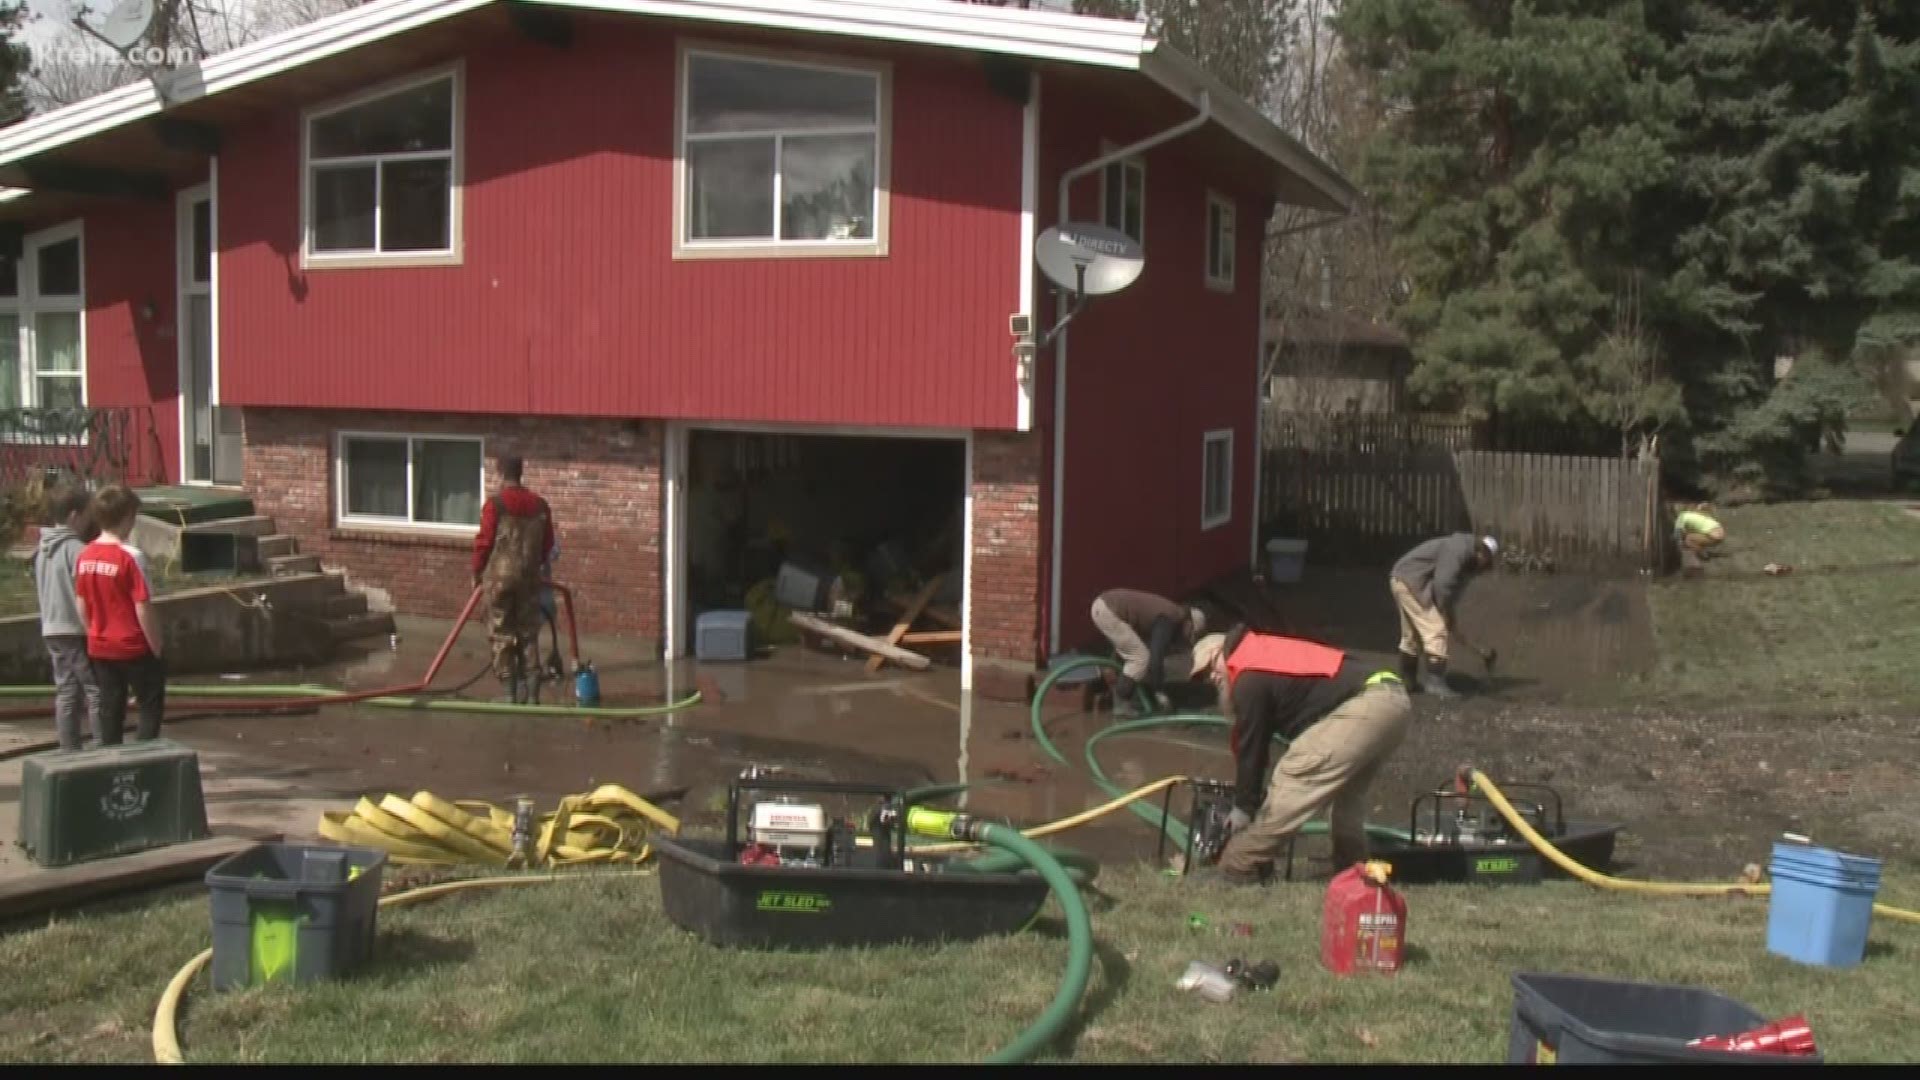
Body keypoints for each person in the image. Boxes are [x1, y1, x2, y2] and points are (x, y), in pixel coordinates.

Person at [1189, 627, 1412, 885]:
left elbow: (1252, 749)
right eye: (1204, 677)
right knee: (1346, 797)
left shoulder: (1248, 677)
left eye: (1210, 667)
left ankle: (1238, 866)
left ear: (1221, 651)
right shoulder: (1264, 656)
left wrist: (1243, 808)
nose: (1212, 677)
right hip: (1392, 701)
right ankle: (1353, 871)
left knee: (1295, 775)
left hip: (1369, 703)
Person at [73, 484, 166, 745]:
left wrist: (93, 631)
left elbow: (81, 602)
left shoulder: (85, 555)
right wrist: (156, 646)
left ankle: (110, 759)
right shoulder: (131, 556)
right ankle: (145, 757)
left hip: (100, 646)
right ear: (127, 518)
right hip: (133, 645)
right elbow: (142, 606)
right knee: (150, 703)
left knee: (110, 708)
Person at [472, 456, 555, 702]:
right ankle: (532, 696)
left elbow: (484, 543)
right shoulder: (540, 506)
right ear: (521, 472)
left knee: (501, 633)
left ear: (500, 473)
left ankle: (509, 694)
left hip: (499, 580)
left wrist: (477, 573)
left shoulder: (494, 506)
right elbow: (547, 545)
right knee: (529, 633)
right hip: (530, 579)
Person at [1388, 533, 1499, 699]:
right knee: (1436, 630)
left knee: (1412, 633)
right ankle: (1435, 683)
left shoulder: (1465, 559)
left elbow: (1449, 593)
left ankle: (1408, 681)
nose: (1483, 567)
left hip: (1402, 578)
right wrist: (1444, 612)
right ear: (1482, 552)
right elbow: (1443, 584)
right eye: (1486, 561)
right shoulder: (1459, 550)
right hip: (1411, 581)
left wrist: (1449, 614)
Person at [33, 482, 99, 751]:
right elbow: (85, 593)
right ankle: (103, 745)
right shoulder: (77, 550)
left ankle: (68, 747)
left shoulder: (42, 550)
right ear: (74, 516)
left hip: (51, 628)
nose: (88, 522)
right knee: (96, 691)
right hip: (75, 628)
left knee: (67, 690)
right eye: (87, 516)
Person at [1089, 588, 1207, 717]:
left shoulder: (1165, 612)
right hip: (1110, 610)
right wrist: (1159, 692)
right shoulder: (1170, 618)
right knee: (1141, 658)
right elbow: (1156, 657)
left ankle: (1119, 696)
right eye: (1191, 634)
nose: (1186, 638)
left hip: (1105, 605)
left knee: (1135, 653)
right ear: (1189, 624)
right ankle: (1122, 702)